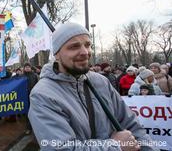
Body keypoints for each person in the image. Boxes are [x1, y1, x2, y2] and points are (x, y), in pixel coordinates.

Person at [28, 23, 157, 150]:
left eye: (88, 45)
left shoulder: (100, 81)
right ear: (56, 54)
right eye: (74, 47)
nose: (85, 52)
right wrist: (114, 146)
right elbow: (61, 148)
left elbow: (133, 127)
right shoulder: (42, 94)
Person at [23, 62, 38, 135]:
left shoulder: (34, 76)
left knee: (35, 113)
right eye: (26, 67)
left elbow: (38, 86)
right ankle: (28, 128)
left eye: (28, 67)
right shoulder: (21, 76)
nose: (27, 68)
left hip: (33, 97)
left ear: (30, 68)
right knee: (27, 113)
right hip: (25, 97)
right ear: (24, 68)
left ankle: (35, 128)